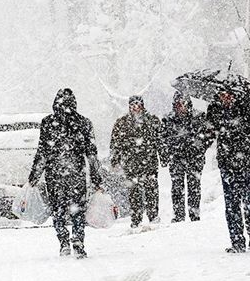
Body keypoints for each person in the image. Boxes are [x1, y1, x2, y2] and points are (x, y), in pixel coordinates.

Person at [29, 88, 102, 259]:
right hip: (76, 173)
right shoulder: (84, 123)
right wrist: (96, 177)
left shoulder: (48, 123)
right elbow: (91, 154)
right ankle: (78, 239)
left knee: (58, 209)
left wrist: (34, 175)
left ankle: (63, 242)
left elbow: (43, 152)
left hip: (55, 175)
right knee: (78, 209)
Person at [207, 90, 250, 253]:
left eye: (228, 94)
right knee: (231, 205)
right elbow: (208, 134)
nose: (225, 98)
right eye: (222, 95)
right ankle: (237, 241)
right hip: (227, 165)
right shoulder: (215, 110)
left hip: (249, 163)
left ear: (235, 94)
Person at [110, 95, 163, 228]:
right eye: (133, 105)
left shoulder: (152, 120)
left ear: (142, 105)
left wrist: (164, 156)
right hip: (131, 163)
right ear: (129, 106)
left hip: (149, 162)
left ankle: (153, 216)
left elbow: (161, 140)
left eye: (138, 104)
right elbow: (115, 143)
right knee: (134, 193)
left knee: (151, 190)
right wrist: (115, 160)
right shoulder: (122, 123)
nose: (135, 107)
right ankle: (136, 218)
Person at [161, 92, 213, 222]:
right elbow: (162, 139)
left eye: (183, 103)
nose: (181, 106)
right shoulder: (168, 119)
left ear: (188, 103)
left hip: (194, 158)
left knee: (194, 186)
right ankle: (179, 215)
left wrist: (200, 147)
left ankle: (194, 214)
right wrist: (168, 152)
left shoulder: (199, 117)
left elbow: (210, 135)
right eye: (178, 104)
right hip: (176, 158)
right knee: (177, 187)